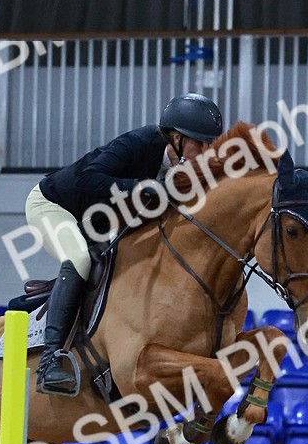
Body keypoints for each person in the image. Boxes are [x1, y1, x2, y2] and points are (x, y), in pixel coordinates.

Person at [26, 92, 223, 393]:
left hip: (101, 222)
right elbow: (87, 179)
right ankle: (49, 362)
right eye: (202, 143)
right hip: (55, 206)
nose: (207, 151)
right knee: (79, 258)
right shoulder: (138, 143)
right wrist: (141, 187)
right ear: (177, 139)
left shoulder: (187, 171)